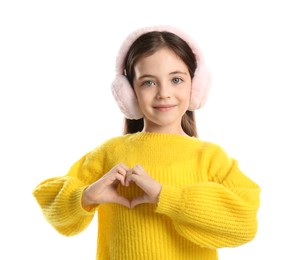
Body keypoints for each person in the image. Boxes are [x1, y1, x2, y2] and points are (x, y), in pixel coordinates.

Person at [32, 25, 261, 260]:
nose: (164, 92)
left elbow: (245, 222)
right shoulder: (110, 152)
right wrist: (86, 196)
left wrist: (166, 196)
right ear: (129, 93)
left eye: (176, 79)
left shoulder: (211, 158)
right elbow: (48, 200)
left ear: (195, 86)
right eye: (148, 82)